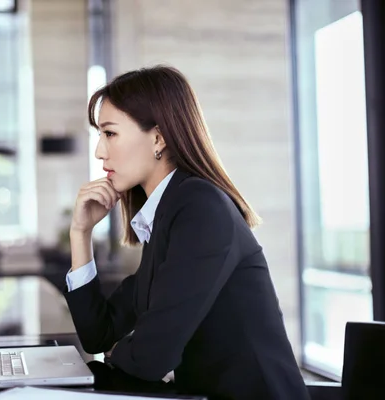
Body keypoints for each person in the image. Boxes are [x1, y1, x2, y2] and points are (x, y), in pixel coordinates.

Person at [63, 65, 310, 400]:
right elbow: (99, 333)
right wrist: (81, 233)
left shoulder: (200, 208)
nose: (99, 151)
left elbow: (151, 358)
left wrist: (117, 353)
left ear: (159, 138)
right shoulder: (168, 214)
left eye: (110, 133)